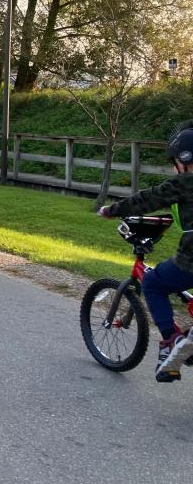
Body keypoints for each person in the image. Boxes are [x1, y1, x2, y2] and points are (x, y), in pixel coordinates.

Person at [99, 127, 193, 382]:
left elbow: (147, 199)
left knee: (153, 282)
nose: (175, 169)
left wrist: (112, 209)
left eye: (175, 163)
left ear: (184, 159)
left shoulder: (186, 181)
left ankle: (171, 343)